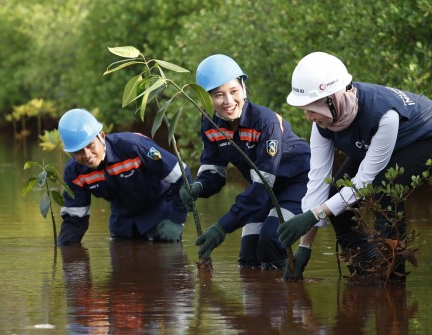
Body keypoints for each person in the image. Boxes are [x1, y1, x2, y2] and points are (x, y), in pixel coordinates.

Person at [278, 51, 432, 279]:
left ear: (333, 98)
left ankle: (392, 275)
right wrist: (305, 246)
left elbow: (364, 182)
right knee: (336, 195)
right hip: (378, 142)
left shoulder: (383, 115)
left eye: (311, 108)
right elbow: (318, 183)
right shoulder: (321, 123)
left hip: (428, 138)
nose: (308, 117)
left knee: (384, 190)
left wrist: (315, 214)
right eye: (304, 110)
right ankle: (365, 269)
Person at [180, 54, 311, 271]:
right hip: (262, 190)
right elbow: (214, 170)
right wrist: (199, 186)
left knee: (271, 239)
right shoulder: (210, 125)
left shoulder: (265, 122)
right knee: (249, 255)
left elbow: (262, 186)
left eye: (234, 91)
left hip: (296, 183)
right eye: (218, 95)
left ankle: (287, 296)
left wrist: (221, 227)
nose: (229, 102)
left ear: (244, 88)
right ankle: (259, 301)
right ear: (205, 99)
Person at [56, 108, 190, 245]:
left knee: (169, 263)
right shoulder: (74, 173)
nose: (87, 155)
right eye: (78, 152)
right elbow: (75, 219)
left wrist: (177, 219)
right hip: (123, 225)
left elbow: (182, 175)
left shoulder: (134, 147)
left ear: (101, 137)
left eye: (90, 145)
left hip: (161, 215)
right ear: (70, 154)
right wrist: (63, 252)